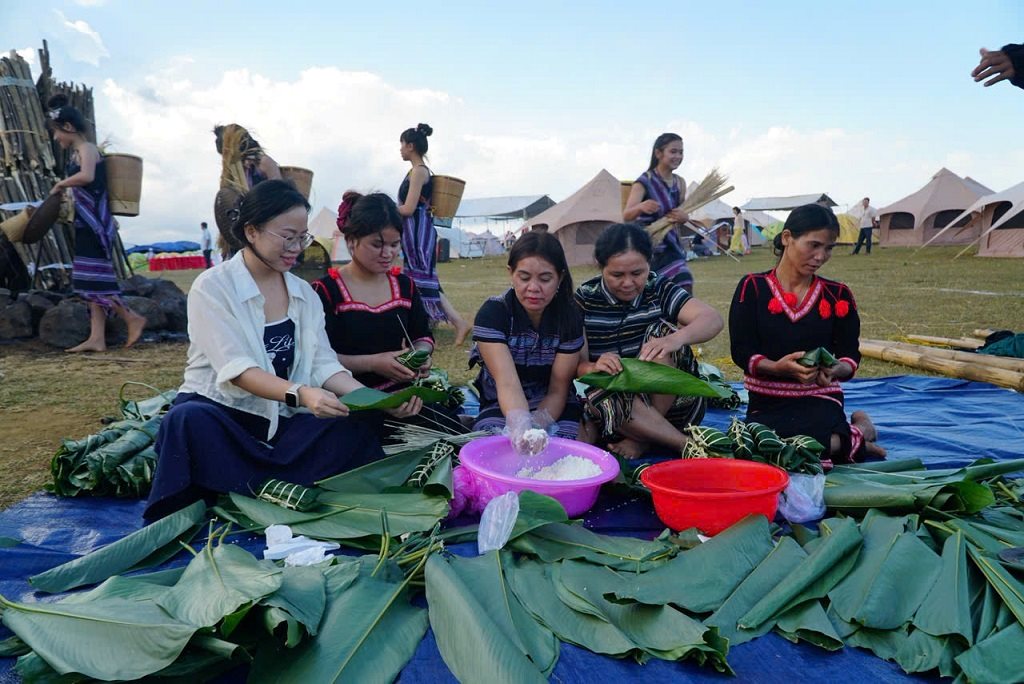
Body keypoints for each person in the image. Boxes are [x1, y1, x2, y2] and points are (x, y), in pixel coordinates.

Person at [145, 180, 421, 521]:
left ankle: (251, 484)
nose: (296, 248)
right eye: (287, 236)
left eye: (302, 237)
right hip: (226, 415)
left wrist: (379, 402)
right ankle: (274, 484)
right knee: (186, 421)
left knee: (352, 424)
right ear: (251, 231)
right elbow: (239, 370)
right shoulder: (213, 287)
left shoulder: (303, 293)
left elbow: (323, 363)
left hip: (281, 420)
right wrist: (302, 394)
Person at [728, 203, 885, 465]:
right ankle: (859, 435)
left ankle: (851, 435)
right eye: (813, 245)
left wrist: (835, 370)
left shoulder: (838, 295)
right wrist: (777, 368)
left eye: (828, 248)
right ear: (788, 238)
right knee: (762, 446)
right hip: (767, 398)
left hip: (818, 397)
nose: (820, 256)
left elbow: (849, 355)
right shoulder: (752, 288)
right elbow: (742, 351)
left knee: (810, 443)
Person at [312, 191, 464, 435]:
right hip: (349, 403)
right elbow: (318, 359)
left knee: (452, 437)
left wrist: (421, 357)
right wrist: (373, 363)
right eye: (377, 244)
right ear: (351, 241)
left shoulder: (405, 286)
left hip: (405, 399)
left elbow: (422, 336)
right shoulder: (325, 292)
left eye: (394, 244)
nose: (387, 253)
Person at [574, 223, 723, 458]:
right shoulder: (584, 300)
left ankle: (644, 438)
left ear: (649, 264)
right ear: (601, 267)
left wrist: (675, 339)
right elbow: (578, 365)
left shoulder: (658, 287)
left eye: (637, 273)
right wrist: (595, 366)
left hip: (676, 405)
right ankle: (683, 444)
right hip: (621, 409)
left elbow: (712, 319)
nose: (628, 283)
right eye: (617, 275)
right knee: (596, 391)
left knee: (661, 336)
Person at [46, 95, 146, 353]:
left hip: (95, 224)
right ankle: (96, 338)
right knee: (90, 279)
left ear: (68, 127)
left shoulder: (87, 149)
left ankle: (131, 317)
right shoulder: (78, 153)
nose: (57, 139)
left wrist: (61, 184)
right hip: (85, 221)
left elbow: (87, 175)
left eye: (57, 133)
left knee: (96, 279)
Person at [470, 231, 584, 441]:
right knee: (491, 443)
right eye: (524, 277)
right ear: (510, 273)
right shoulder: (493, 314)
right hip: (500, 402)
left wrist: (536, 427)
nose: (533, 288)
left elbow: (558, 390)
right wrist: (522, 428)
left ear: (560, 277)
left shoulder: (569, 317)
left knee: (565, 445)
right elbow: (507, 383)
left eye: (545, 279)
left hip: (551, 404)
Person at [397, 123, 471, 345]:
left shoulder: (419, 172)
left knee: (420, 279)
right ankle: (457, 322)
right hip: (415, 230)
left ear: (410, 146)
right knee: (422, 279)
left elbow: (408, 208)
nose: (400, 149)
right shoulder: (416, 171)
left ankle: (421, 328)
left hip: (418, 230)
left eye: (401, 145)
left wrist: (381, 206)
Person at [623, 133, 694, 292]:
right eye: (673, 151)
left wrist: (684, 217)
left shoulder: (680, 183)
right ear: (658, 153)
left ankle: (681, 316)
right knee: (651, 291)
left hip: (671, 247)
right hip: (647, 247)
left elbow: (681, 212)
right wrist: (641, 207)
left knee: (684, 281)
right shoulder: (644, 181)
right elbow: (627, 215)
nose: (678, 156)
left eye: (681, 152)